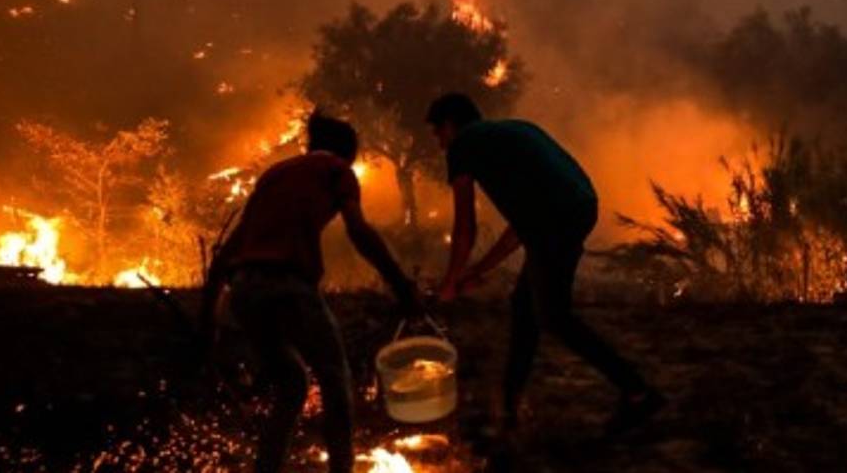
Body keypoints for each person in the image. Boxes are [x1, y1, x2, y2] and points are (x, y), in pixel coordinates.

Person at [426, 92, 663, 437]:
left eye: (438, 135)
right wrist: (476, 272)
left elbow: (465, 226)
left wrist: (449, 282)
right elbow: (520, 231)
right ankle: (509, 404)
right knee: (524, 306)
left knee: (554, 315)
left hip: (557, 216)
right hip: (578, 206)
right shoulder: (511, 133)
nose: (440, 146)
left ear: (449, 125)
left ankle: (638, 392)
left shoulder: (465, 144)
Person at [199, 111, 420, 473]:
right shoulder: (338, 171)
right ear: (347, 154)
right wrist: (401, 286)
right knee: (335, 383)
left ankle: (267, 467)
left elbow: (229, 251)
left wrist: (207, 320)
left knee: (292, 383)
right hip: (289, 286)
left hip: (244, 291)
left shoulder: (276, 173)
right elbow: (359, 231)